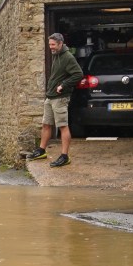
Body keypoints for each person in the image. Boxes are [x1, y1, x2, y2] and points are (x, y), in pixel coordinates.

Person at [28, 32, 84, 167]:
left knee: (63, 126)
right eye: (49, 45)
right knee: (46, 124)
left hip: (60, 98)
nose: (51, 47)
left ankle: (65, 156)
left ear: (60, 44)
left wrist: (63, 85)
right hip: (51, 97)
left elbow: (78, 74)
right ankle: (41, 151)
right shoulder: (56, 55)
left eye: (53, 45)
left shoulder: (67, 57)